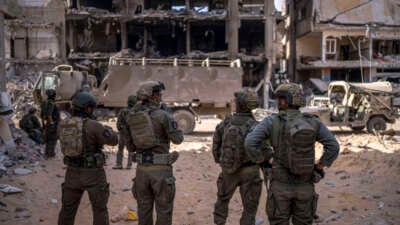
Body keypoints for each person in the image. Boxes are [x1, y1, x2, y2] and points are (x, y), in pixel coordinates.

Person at [245, 83, 340, 225]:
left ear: (284, 100)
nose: (278, 102)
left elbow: (249, 143)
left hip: (280, 187)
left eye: (279, 99)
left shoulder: (271, 122)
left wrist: (263, 161)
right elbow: (333, 147)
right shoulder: (313, 122)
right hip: (305, 186)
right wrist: (319, 167)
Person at [126, 81, 183, 225]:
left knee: (143, 210)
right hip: (161, 172)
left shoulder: (132, 117)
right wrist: (169, 117)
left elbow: (130, 146)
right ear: (153, 96)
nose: (161, 97)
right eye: (159, 94)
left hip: (141, 171)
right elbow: (178, 139)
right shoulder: (163, 115)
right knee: (164, 210)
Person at [57, 92, 118, 225]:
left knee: (67, 210)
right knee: (99, 210)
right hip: (93, 174)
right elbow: (114, 140)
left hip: (71, 173)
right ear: (88, 108)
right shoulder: (93, 125)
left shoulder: (62, 124)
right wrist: (108, 130)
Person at [212, 88, 262, 225]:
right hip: (250, 171)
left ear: (239, 104)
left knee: (222, 200)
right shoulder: (257, 126)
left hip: (228, 171)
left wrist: (221, 160)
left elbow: (216, 143)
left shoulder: (226, 123)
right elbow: (263, 150)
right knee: (249, 208)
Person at [113, 95, 137, 170]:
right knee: (130, 149)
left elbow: (118, 122)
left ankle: (119, 164)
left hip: (123, 133)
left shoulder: (122, 111)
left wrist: (120, 129)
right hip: (131, 133)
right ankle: (129, 165)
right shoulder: (135, 112)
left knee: (120, 148)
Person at [40, 89, 60, 158]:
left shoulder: (44, 103)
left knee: (48, 138)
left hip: (47, 123)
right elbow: (49, 114)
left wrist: (43, 124)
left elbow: (42, 116)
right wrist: (52, 123)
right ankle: (50, 154)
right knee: (53, 139)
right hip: (53, 123)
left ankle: (47, 153)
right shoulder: (51, 103)